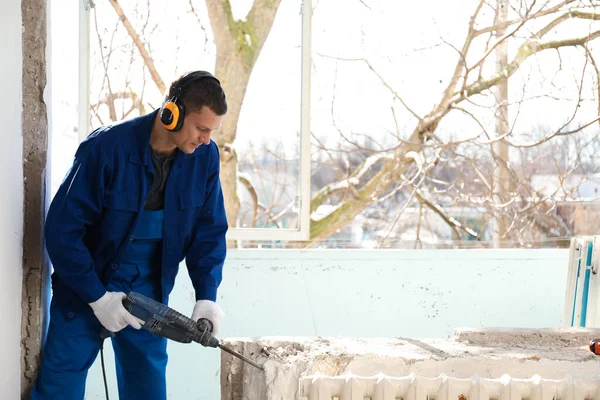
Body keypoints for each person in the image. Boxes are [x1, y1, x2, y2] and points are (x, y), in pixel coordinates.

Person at [31, 70, 229, 400]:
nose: (206, 139)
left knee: (147, 389)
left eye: (212, 131)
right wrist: (96, 296)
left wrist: (206, 296)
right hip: (85, 286)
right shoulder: (105, 148)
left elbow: (208, 231)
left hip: (149, 292)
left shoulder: (204, 157)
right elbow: (62, 230)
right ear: (172, 113)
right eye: (201, 128)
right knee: (59, 388)